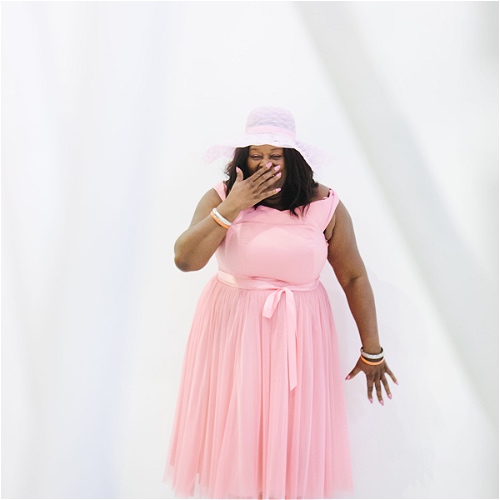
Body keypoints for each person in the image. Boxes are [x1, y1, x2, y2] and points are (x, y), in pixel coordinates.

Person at [163, 106, 397, 499]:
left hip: (298, 339)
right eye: (256, 154)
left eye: (276, 155)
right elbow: (185, 260)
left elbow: (353, 277)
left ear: (293, 158)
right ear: (243, 157)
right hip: (233, 335)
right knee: (238, 431)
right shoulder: (221, 197)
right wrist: (232, 207)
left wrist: (371, 349)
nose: (266, 163)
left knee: (289, 441)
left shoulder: (324, 204)